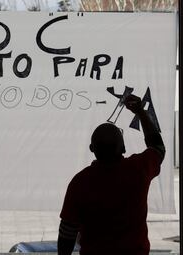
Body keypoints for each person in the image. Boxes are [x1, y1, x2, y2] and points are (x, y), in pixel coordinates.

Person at [58, 94, 165, 255]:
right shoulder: (138, 170)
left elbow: (67, 233)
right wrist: (141, 112)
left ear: (92, 149)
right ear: (123, 148)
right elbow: (157, 147)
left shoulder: (80, 183)